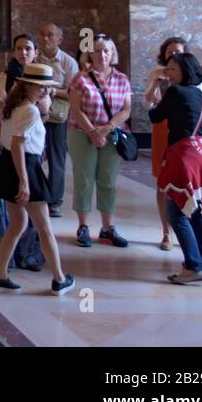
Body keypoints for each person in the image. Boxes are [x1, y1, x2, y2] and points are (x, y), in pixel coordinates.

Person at [0, 63, 75, 296]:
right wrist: (24, 182)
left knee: (18, 223)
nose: (45, 92)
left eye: (47, 88)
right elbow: (18, 144)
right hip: (24, 166)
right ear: (27, 86)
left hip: (8, 165)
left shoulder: (13, 106)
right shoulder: (30, 110)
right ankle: (59, 279)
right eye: (40, 88)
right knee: (44, 227)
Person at [151, 52, 202, 285]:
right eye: (167, 68)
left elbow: (155, 116)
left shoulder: (175, 92)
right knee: (194, 209)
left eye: (173, 69)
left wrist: (157, 90)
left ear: (185, 71)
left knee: (176, 212)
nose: (168, 73)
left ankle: (193, 265)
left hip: (183, 157)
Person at [0, 35, 46, 272]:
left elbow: (44, 116)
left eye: (28, 48)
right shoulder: (4, 78)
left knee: (28, 201)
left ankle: (28, 254)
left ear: (35, 52)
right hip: (3, 145)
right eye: (19, 48)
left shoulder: (41, 80)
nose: (23, 53)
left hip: (30, 147)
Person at [67, 34, 133, 249]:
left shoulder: (122, 79)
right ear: (90, 53)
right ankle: (83, 226)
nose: (103, 54)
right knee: (84, 179)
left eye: (106, 50)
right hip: (81, 133)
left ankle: (107, 227)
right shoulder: (80, 78)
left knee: (108, 180)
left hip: (112, 134)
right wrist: (93, 132)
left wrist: (106, 129)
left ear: (112, 53)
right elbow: (75, 109)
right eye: (98, 50)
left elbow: (126, 109)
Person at [145, 36, 190, 251]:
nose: (173, 54)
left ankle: (185, 228)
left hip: (183, 131)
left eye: (178, 51)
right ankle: (166, 231)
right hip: (162, 127)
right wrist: (156, 83)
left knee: (185, 182)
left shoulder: (190, 76)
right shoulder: (157, 74)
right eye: (170, 51)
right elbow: (148, 101)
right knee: (162, 182)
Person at [34, 24, 78, 217]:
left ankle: (54, 200)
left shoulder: (68, 63)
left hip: (57, 116)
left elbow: (73, 92)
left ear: (60, 39)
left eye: (50, 35)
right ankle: (35, 194)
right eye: (42, 34)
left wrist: (52, 90)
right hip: (34, 115)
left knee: (56, 158)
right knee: (32, 155)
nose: (45, 38)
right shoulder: (34, 59)